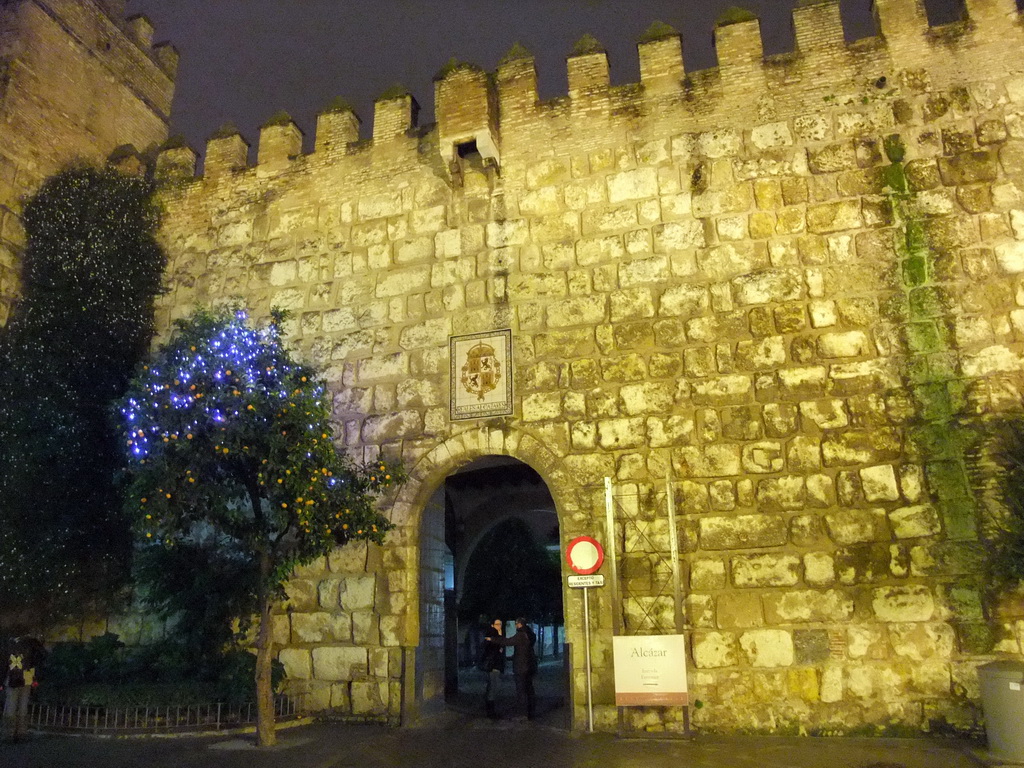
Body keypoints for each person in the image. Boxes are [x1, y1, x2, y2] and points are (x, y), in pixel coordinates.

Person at [488, 617, 537, 720]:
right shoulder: (529, 634)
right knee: (528, 690)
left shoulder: (520, 635)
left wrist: (493, 639)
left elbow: (508, 642)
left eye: (516, 624)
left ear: (519, 624)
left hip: (521, 667)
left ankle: (523, 714)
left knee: (521, 691)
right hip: (528, 666)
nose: (515, 626)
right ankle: (530, 712)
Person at [3, 631, 45, 742]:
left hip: (12, 678)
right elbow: (41, 656)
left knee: (11, 706)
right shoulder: (31, 643)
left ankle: (9, 733)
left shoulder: (8, 645)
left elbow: (3, 664)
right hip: (27, 677)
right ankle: (22, 732)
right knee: (23, 706)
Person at [479, 618, 505, 719]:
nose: (499, 626)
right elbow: (497, 647)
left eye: (500, 624)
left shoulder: (494, 636)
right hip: (493, 666)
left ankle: (491, 711)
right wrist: (499, 636)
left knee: (493, 687)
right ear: (492, 625)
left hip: (494, 665)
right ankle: (490, 712)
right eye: (497, 624)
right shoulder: (492, 636)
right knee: (493, 688)